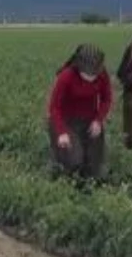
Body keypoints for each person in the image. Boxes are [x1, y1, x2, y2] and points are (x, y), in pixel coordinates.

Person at [46, 44, 114, 184]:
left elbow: (106, 99)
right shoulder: (67, 76)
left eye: (95, 73)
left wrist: (98, 120)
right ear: (79, 66)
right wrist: (61, 133)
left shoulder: (101, 74)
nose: (92, 77)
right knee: (75, 160)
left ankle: (89, 186)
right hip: (66, 122)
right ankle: (59, 168)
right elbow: (54, 108)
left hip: (89, 121)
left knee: (94, 167)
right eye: (89, 74)